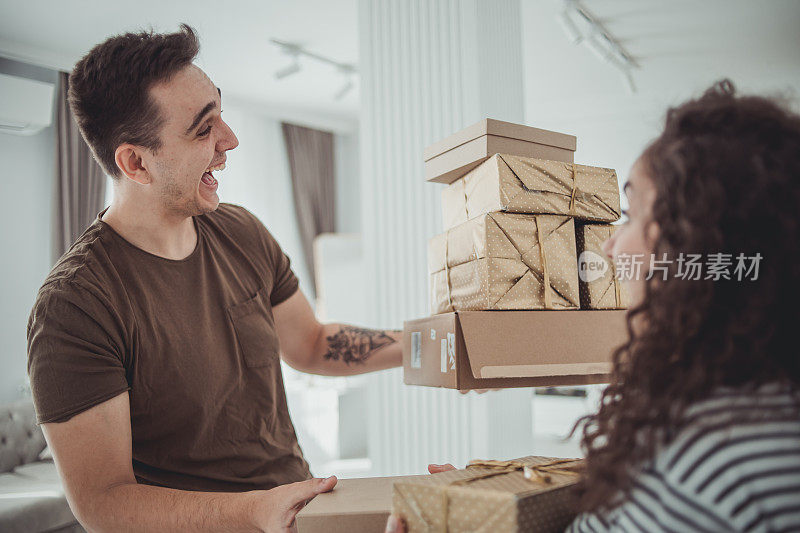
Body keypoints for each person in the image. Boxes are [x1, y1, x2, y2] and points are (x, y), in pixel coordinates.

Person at [27, 25, 403, 532]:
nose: (230, 140)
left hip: (299, 513)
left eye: (221, 114)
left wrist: (427, 346)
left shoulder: (241, 232)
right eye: (204, 129)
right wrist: (255, 511)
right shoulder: (76, 306)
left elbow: (311, 343)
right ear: (135, 162)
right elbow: (103, 505)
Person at [386, 81, 800, 533]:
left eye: (634, 214)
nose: (612, 244)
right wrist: (503, 499)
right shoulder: (749, 410)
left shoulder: (710, 465)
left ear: (697, 243)